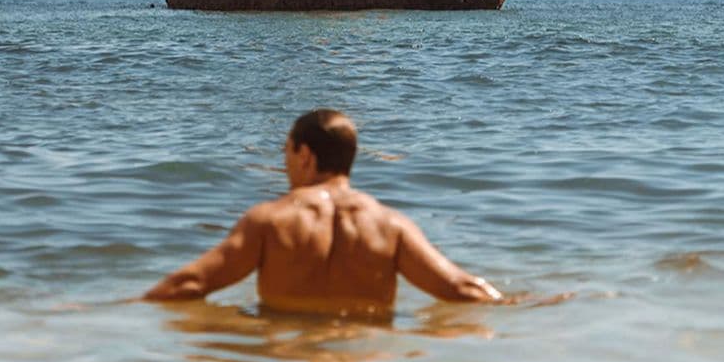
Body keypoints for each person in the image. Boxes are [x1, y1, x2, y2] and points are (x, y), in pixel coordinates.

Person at [143, 108, 505, 313]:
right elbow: (461, 288)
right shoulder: (391, 226)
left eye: (286, 152)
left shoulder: (269, 222)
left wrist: (118, 310)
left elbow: (188, 284)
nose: (284, 164)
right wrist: (527, 305)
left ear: (305, 156)